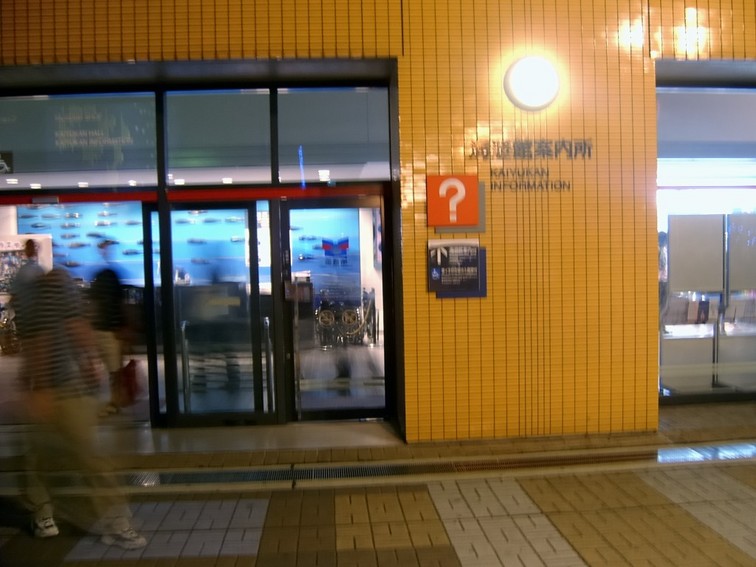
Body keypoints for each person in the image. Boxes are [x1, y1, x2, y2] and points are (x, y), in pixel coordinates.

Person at [21, 267, 146, 549]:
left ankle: (45, 516)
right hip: (64, 392)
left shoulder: (37, 304)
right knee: (88, 458)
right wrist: (89, 363)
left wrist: (36, 387)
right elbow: (73, 332)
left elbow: (38, 345)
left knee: (41, 460)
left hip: (52, 392)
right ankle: (114, 523)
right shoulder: (59, 298)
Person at [90, 240, 128, 416]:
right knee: (114, 369)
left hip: (106, 329)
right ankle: (115, 400)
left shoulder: (104, 275)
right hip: (110, 329)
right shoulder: (112, 274)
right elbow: (120, 303)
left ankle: (115, 401)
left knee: (112, 369)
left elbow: (95, 304)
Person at [9, 239, 45, 345]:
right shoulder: (40, 270)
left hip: (25, 321)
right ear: (36, 251)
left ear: (26, 251)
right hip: (38, 321)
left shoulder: (22, 271)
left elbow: (14, 295)